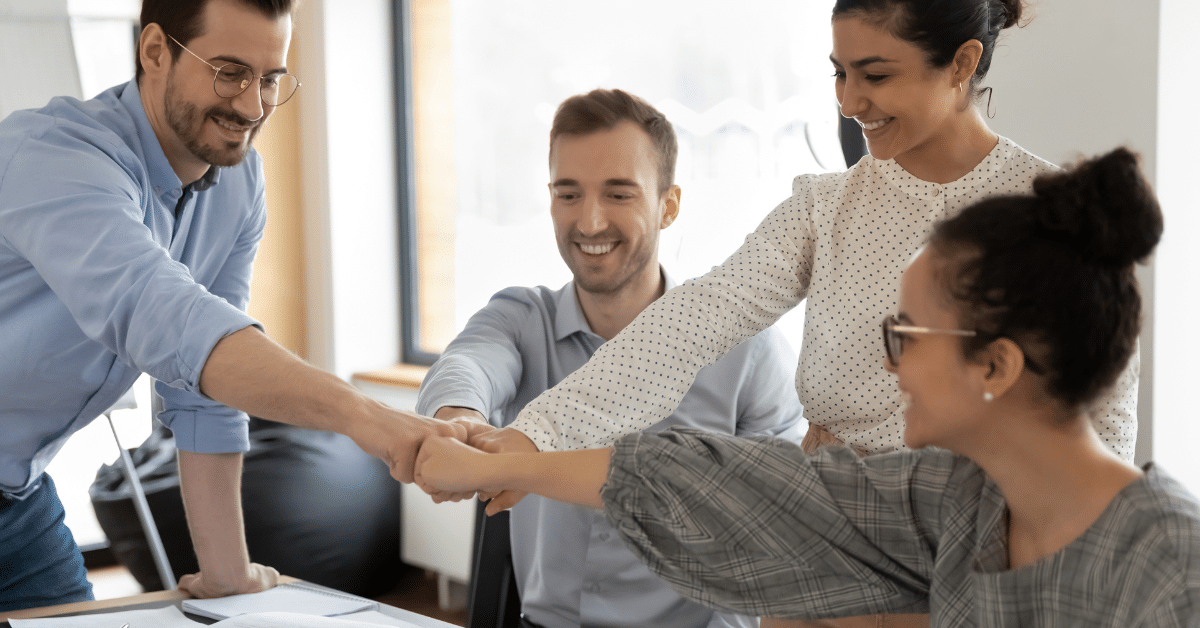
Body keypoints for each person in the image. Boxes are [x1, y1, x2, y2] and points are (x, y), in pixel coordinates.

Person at [416, 147, 1200, 626]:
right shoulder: (956, 500)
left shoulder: (1173, 567)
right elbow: (724, 485)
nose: (889, 366)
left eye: (905, 337)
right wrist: (508, 459)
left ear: (995, 366)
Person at [0, 0, 462, 612]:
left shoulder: (238, 186)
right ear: (155, 51)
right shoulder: (55, 156)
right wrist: (366, 418)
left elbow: (205, 388)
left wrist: (227, 576)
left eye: (270, 78)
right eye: (228, 71)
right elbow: (162, 315)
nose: (251, 106)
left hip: (16, 495)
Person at [417, 88, 803, 628]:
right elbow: (467, 366)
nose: (590, 222)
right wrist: (459, 425)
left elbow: (776, 525)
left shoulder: (749, 351)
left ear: (668, 205)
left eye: (619, 195)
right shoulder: (521, 318)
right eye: (568, 194)